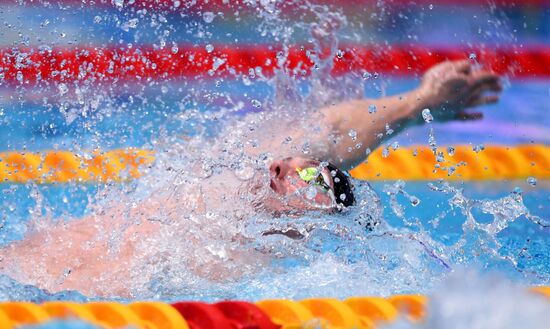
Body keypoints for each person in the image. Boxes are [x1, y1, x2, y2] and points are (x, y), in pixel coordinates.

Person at [0, 60, 501, 297]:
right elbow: (331, 129)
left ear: (311, 228)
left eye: (309, 185)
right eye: (297, 168)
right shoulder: (232, 177)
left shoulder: (240, 260)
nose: (283, 172)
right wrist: (418, 103)